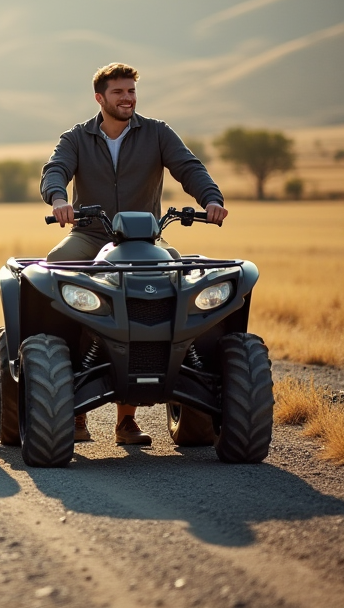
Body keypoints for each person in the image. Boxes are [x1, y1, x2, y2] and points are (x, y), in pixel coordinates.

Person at [41, 62, 227, 445]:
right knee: (52, 273)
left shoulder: (157, 133)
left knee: (182, 283)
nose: (128, 98)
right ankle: (64, 401)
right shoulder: (76, 138)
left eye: (131, 92)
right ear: (100, 98)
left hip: (147, 242)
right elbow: (55, 170)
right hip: (91, 236)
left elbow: (189, 168)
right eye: (119, 92)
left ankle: (129, 419)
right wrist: (59, 199)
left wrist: (211, 198)